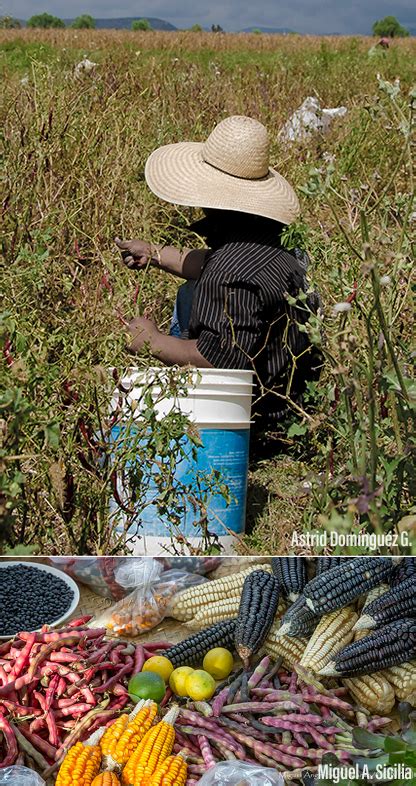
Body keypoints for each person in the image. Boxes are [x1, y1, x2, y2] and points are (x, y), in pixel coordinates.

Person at [116, 115, 322, 455]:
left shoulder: (228, 271)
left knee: (191, 299)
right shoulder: (273, 243)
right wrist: (153, 253)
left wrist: (150, 341)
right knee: (191, 289)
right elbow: (207, 263)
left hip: (256, 420)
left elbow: (217, 360)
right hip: (291, 398)